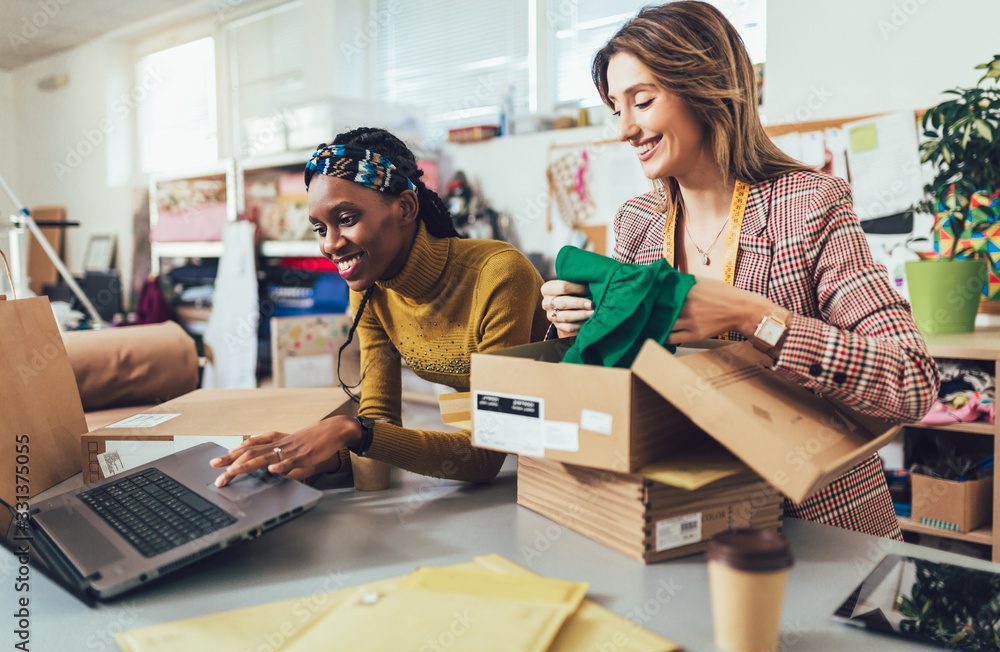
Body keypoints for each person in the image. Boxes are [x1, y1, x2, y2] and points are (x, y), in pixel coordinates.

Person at [540, 1, 939, 539]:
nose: (625, 129)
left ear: (704, 88)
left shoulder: (808, 205)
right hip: (688, 523)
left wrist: (757, 317)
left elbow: (910, 381)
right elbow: (623, 387)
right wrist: (581, 323)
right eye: (616, 108)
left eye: (643, 100)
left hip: (819, 531)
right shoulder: (637, 225)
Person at [213, 127, 548, 487]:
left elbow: (484, 456)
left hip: (567, 448)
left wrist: (351, 431)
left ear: (405, 207)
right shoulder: (371, 285)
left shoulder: (498, 274)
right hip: (513, 454)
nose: (331, 245)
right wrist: (319, 457)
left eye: (346, 219)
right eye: (319, 228)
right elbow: (378, 419)